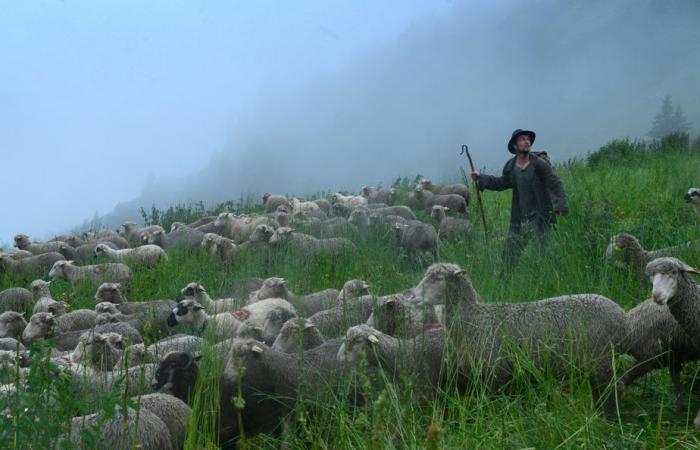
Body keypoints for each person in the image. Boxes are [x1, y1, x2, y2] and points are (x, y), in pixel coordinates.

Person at [471, 129, 568, 273]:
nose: (527, 141)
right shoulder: (511, 167)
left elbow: (555, 183)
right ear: (515, 145)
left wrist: (561, 204)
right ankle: (504, 281)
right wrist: (481, 178)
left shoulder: (539, 165)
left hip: (540, 216)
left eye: (528, 139)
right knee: (511, 251)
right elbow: (502, 183)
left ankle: (548, 277)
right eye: (522, 139)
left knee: (542, 251)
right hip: (519, 217)